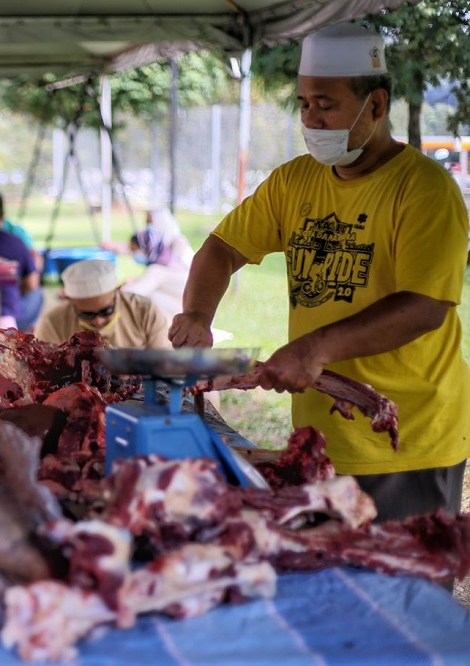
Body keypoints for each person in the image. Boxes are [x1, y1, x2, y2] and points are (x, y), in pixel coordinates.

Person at [169, 23, 470, 523]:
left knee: (398, 590)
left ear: (375, 105)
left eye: (326, 105)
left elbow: (425, 307)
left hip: (407, 439)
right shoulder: (295, 180)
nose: (310, 118)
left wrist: (314, 348)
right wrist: (197, 314)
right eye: (304, 103)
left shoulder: (424, 190)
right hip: (321, 436)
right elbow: (221, 249)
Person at [34, 258, 170, 349]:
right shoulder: (52, 323)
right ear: (70, 302)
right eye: (87, 314)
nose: (98, 321)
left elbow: (164, 364)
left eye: (106, 311)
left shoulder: (144, 311)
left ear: (118, 293)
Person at [0, 188, 42, 330]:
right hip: (10, 314)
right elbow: (32, 284)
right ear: (3, 215)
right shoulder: (16, 242)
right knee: (38, 295)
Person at [115, 207, 195, 321]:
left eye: (150, 223)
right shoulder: (163, 255)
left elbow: (131, 293)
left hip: (184, 311)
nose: (148, 227)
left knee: (143, 299)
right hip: (183, 305)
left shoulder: (165, 261)